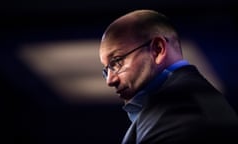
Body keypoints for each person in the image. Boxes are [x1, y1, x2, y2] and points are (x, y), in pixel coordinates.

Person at [99, 9, 238, 144]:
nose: (110, 80)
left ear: (157, 49)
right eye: (106, 70)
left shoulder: (180, 108)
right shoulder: (191, 99)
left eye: (117, 62)